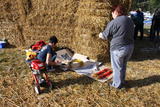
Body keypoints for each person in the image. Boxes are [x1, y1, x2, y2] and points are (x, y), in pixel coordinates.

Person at [99, 5, 134, 89]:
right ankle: (122, 81)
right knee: (123, 65)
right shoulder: (129, 20)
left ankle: (117, 85)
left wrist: (100, 35)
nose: (112, 15)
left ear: (116, 12)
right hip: (129, 47)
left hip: (118, 48)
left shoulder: (114, 22)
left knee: (117, 67)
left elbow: (104, 35)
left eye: (112, 13)